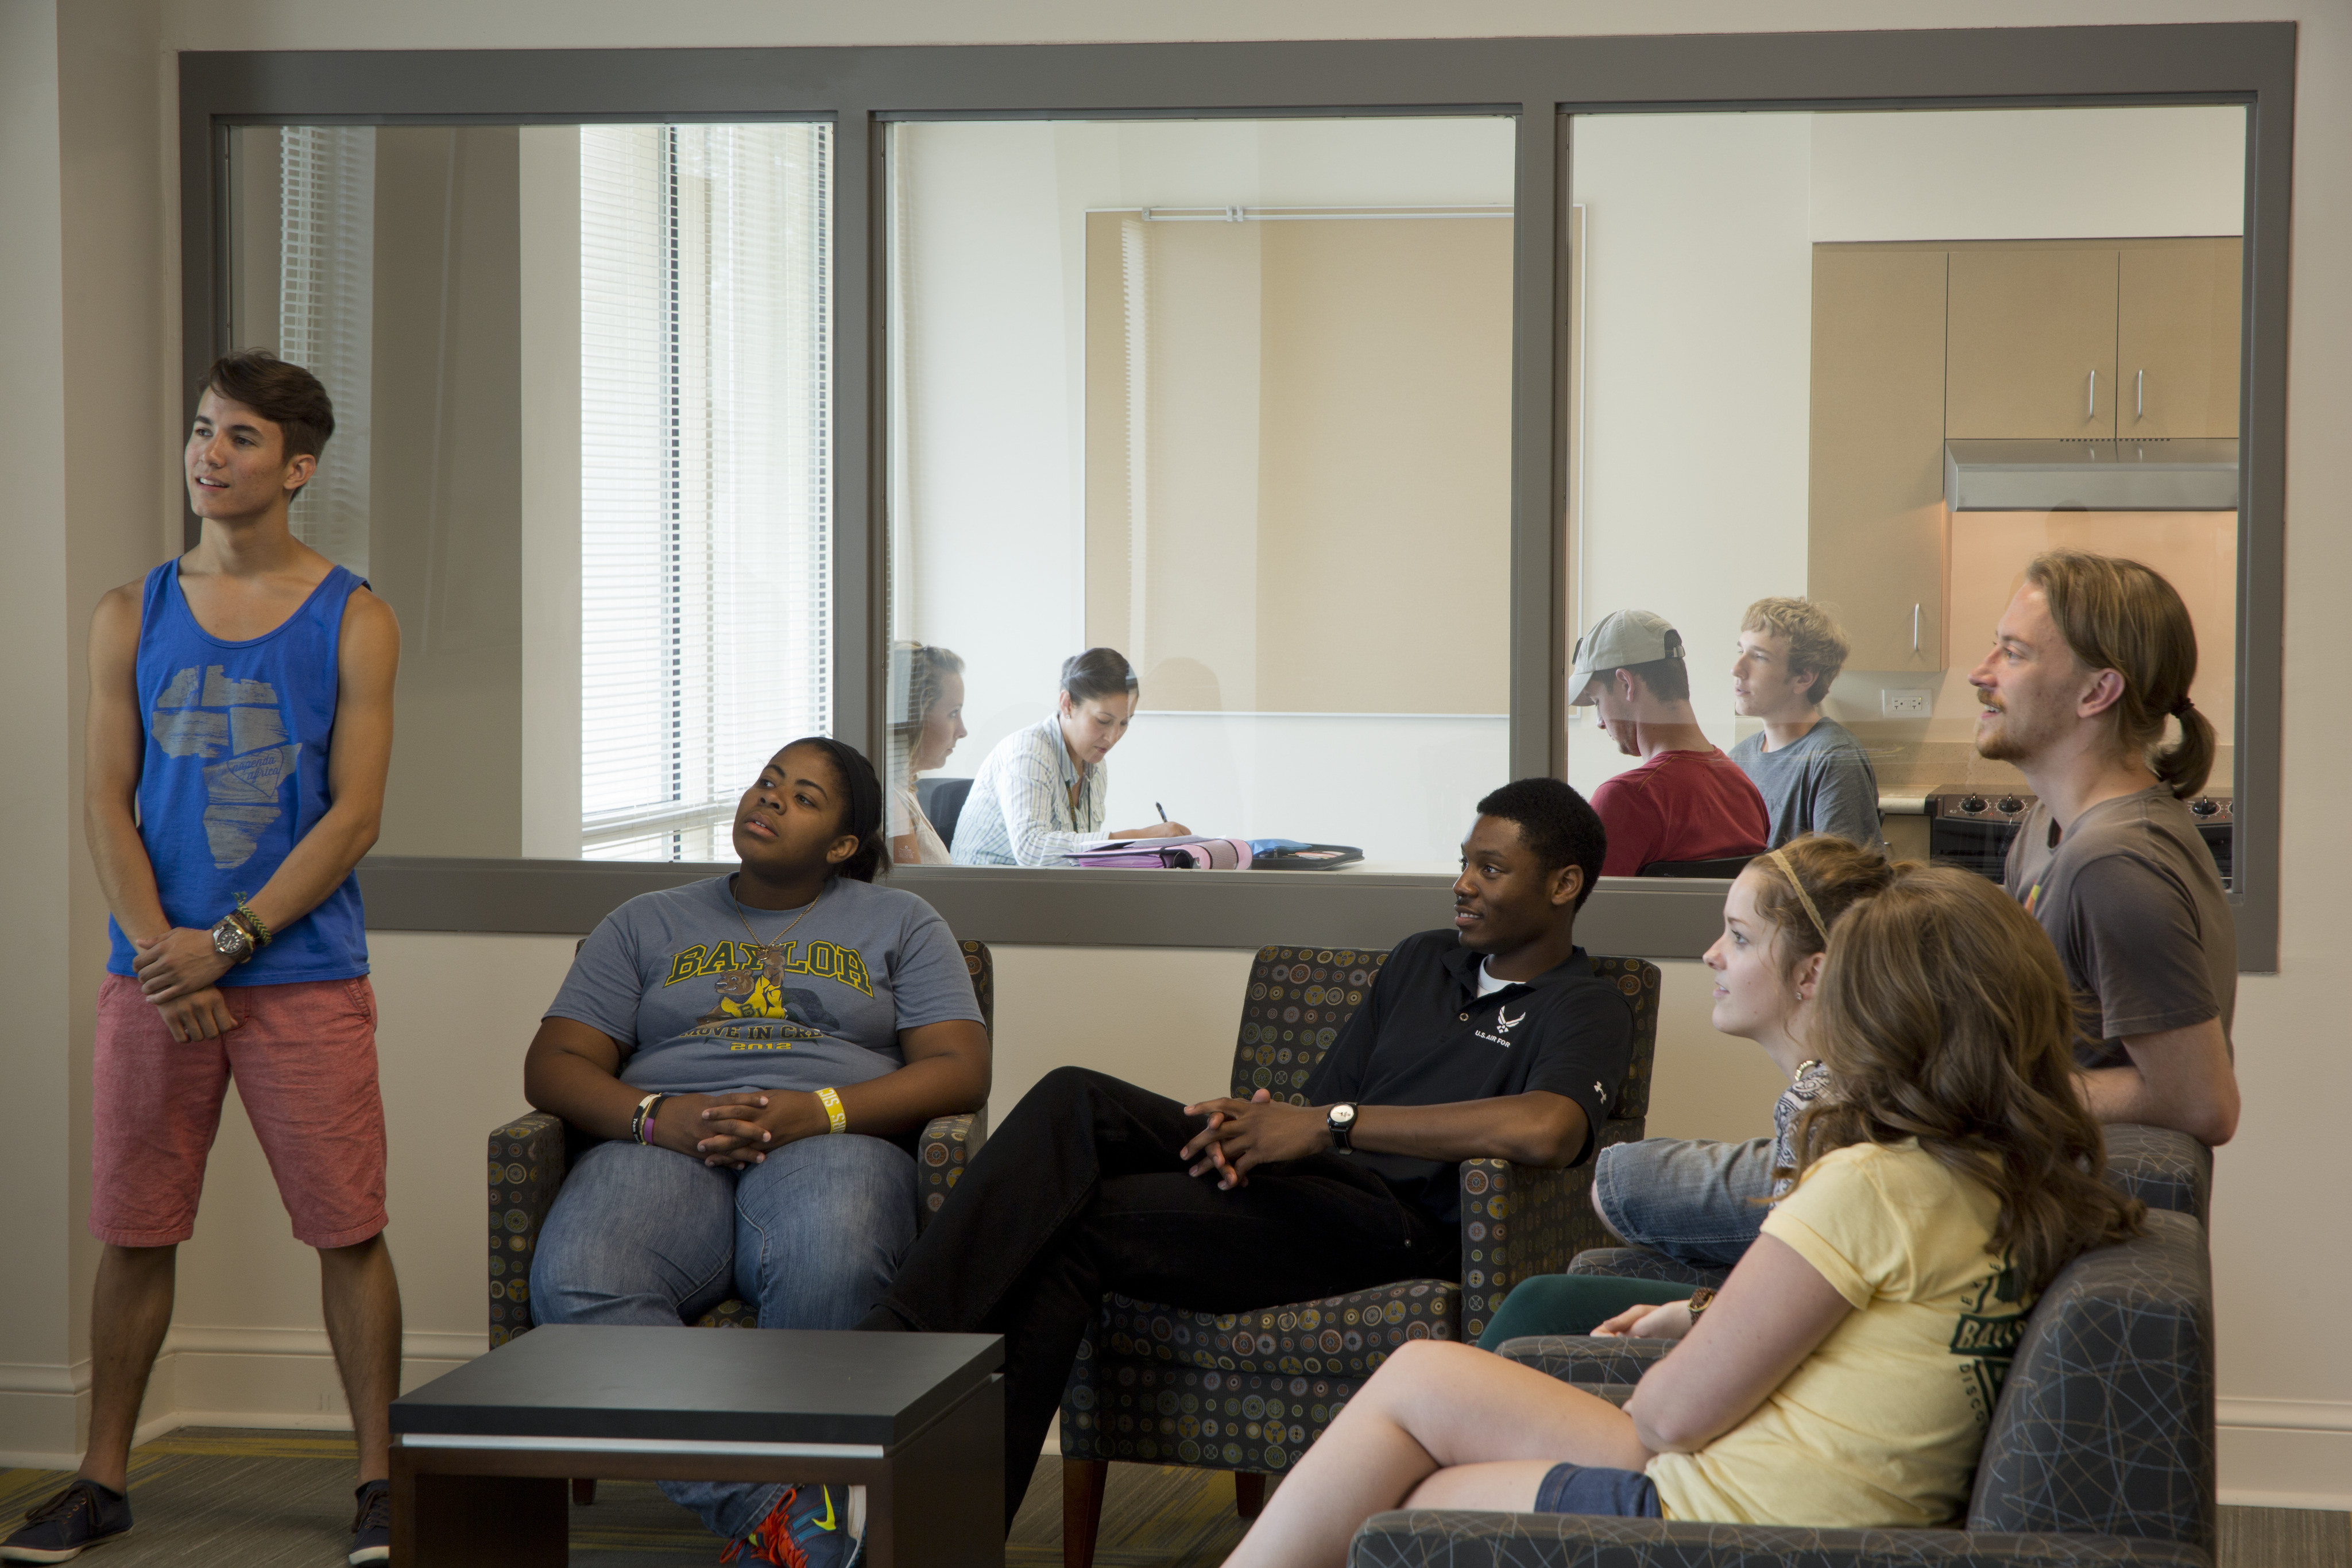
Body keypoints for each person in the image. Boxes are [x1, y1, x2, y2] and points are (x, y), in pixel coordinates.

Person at [1217, 863, 2145, 1561]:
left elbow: (1667, 1416)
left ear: (1882, 1017)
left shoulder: (1873, 1182)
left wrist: (1684, 1342)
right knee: (1423, 1429)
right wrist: (1694, 1320)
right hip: (1816, 1495)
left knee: (1420, 1456)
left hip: (1743, 1513)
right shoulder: (2016, 1176)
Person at [862, 779, 1637, 1527]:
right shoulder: (1419, 959)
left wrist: (1330, 1123)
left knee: (1071, 1216)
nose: (1463, 883)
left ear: (1565, 882)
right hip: (1310, 1189)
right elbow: (1314, 1107)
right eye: (1464, 860)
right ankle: (942, 1522)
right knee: (1074, 1112)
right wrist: (1258, 1129)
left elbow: (1549, 1129)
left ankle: (885, 1372)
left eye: (1490, 868)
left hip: (1400, 1227)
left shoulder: (1585, 1003)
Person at [6, 354, 405, 1567]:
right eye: (201, 431)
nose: (208, 455)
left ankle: (381, 1484)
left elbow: (353, 817)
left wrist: (226, 945)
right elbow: (103, 799)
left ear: (296, 469)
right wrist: (158, 959)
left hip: (301, 975)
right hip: (156, 986)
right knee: (135, 1228)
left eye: (238, 439)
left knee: (348, 1230)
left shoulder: (356, 615)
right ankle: (101, 1479)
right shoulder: (130, 611)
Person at [523, 737, 990, 1568]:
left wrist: (823, 1109)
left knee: (836, 1259)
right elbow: (552, 1063)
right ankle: (779, 1509)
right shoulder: (644, 919)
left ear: (844, 845)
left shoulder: (903, 922)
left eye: (804, 796)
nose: (770, 799)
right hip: (664, 1144)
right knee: (578, 1272)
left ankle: (797, 1519)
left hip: (835, 1140)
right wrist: (653, 1114)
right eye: (768, 781)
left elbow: (960, 1067)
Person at [1476, 835, 1895, 1340]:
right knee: (1595, 1262)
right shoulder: (1846, 1083)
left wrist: (1694, 1310)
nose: (1711, 954)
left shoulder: (1825, 1107)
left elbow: (1787, 1311)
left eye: (1739, 937)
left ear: (1811, 971)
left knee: (1541, 1301)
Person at [1970, 549, 2240, 1145]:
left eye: (2013, 654)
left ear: (2097, 692)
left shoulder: (2114, 864)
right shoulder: (2050, 827)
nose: (1980, 673)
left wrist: (1984, 1095)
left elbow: (2204, 1104)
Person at [1572, 609, 1769, 877]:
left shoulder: (1626, 799)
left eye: (1597, 702)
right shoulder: (1744, 790)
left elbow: (1587, 915)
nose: (1600, 721)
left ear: (1625, 684)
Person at [950, 646, 1190, 866]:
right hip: (983, 896)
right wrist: (1140, 837)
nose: (1113, 737)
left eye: (1124, 723)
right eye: (1103, 721)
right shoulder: (1028, 751)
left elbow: (1080, 858)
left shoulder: (1096, 764)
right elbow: (1031, 849)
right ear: (1067, 704)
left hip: (1043, 894)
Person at [1727, 598, 1886, 851]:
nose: (1737, 669)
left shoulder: (1833, 757)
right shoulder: (1738, 760)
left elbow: (1841, 879)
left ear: (1804, 677)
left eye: (1758, 657)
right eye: (1740, 651)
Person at [887, 641, 968, 865]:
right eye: (953, 713)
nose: (962, 731)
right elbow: (911, 894)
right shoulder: (891, 802)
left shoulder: (903, 790)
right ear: (915, 717)